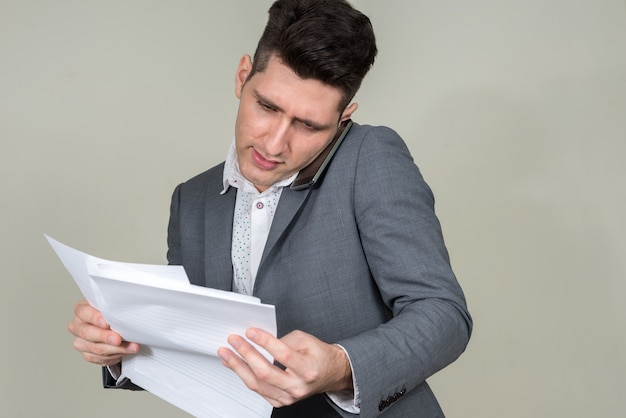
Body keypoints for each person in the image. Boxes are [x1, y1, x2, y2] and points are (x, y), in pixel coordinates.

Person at [68, 0, 472, 416]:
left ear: (343, 118)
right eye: (267, 107)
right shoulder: (191, 200)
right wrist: (118, 347)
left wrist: (339, 366)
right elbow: (193, 346)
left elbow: (443, 315)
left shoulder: (370, 156)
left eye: (308, 125)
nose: (274, 145)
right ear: (243, 76)